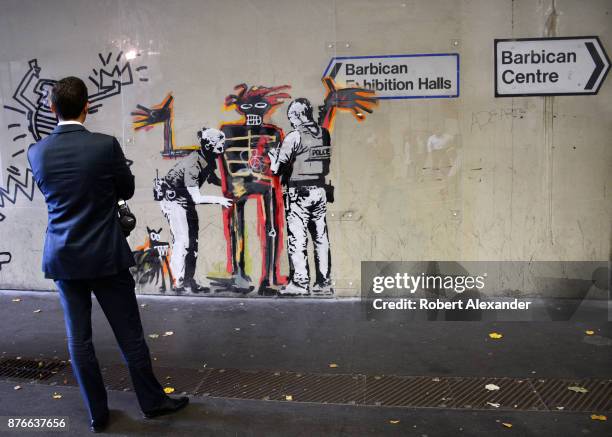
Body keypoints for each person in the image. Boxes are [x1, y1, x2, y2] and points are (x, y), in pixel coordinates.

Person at [27, 77, 188, 433]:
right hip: (105, 255)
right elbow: (126, 187)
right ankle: (152, 402)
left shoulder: (36, 152)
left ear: (52, 109)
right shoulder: (104, 146)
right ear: (87, 106)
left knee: (78, 339)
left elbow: (50, 193)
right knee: (129, 334)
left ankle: (97, 414)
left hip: (64, 257)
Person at [269, 98, 333, 296]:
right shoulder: (324, 134)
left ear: (297, 115)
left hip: (299, 193)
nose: (291, 122)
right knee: (321, 238)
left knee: (298, 240)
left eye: (291, 118)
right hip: (320, 191)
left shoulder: (294, 137)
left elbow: (277, 169)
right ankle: (324, 283)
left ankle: (300, 283)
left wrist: (273, 158)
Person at [157, 127, 232, 293]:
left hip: (186, 201)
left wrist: (234, 185)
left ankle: (189, 281)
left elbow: (213, 179)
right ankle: (178, 281)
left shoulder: (208, 158)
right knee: (182, 242)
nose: (222, 151)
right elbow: (197, 198)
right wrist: (220, 200)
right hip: (174, 201)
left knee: (193, 243)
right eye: (219, 147)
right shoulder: (193, 164)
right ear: (207, 146)